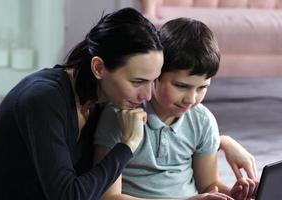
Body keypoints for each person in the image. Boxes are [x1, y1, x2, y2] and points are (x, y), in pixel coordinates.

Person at [0, 8, 164, 200]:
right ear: (98, 68)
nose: (147, 95)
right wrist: (128, 144)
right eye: (137, 82)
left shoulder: (103, 101)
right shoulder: (43, 99)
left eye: (154, 81)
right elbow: (69, 196)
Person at [94, 18, 258, 200]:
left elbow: (209, 184)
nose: (191, 99)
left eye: (202, 87)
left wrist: (231, 194)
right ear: (155, 75)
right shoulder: (120, 117)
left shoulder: (202, 120)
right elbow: (109, 197)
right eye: (181, 86)